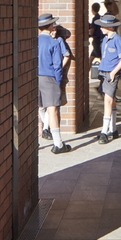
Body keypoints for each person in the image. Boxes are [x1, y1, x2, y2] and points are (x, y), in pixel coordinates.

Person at [38, 13, 72, 154]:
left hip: (34, 77)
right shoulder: (54, 42)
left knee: (39, 108)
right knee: (52, 110)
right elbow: (58, 66)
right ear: (51, 25)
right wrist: (57, 82)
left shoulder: (32, 41)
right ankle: (58, 144)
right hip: (49, 78)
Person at [95, 10, 121, 143]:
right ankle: (112, 130)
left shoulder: (117, 39)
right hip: (104, 72)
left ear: (110, 27)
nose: (100, 28)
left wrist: (114, 72)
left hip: (111, 74)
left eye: (103, 26)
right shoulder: (105, 39)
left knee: (107, 102)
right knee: (111, 100)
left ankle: (104, 132)